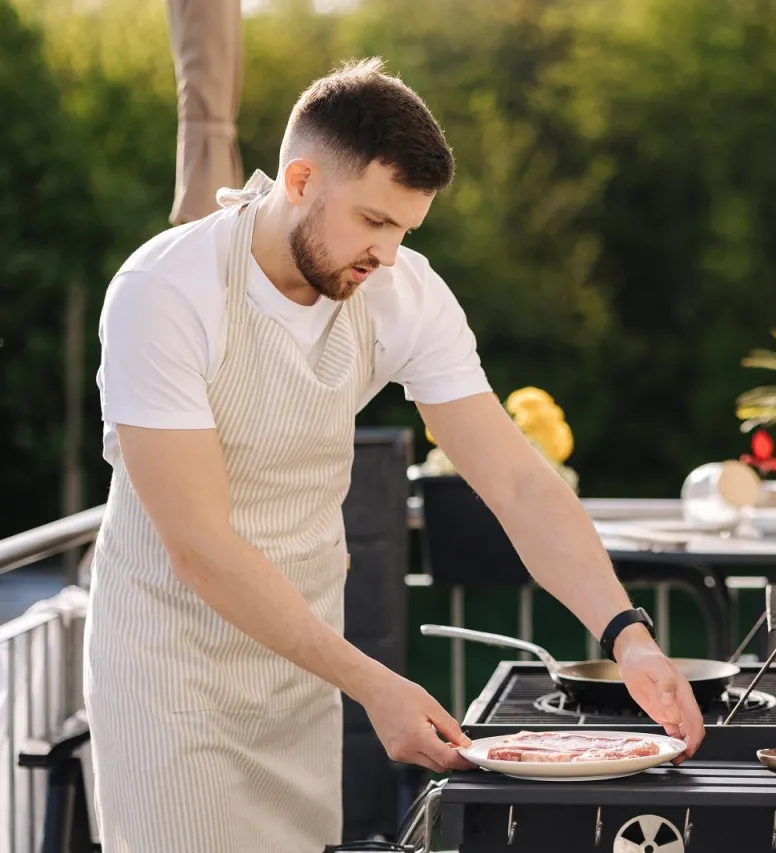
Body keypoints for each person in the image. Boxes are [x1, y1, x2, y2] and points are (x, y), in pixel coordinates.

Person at [83, 57, 705, 853]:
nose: (386, 251)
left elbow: (516, 482)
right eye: (373, 221)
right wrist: (373, 682)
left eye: (405, 230)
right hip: (172, 673)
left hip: (305, 667)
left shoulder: (400, 289)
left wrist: (629, 637)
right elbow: (200, 546)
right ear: (300, 179)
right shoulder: (164, 292)